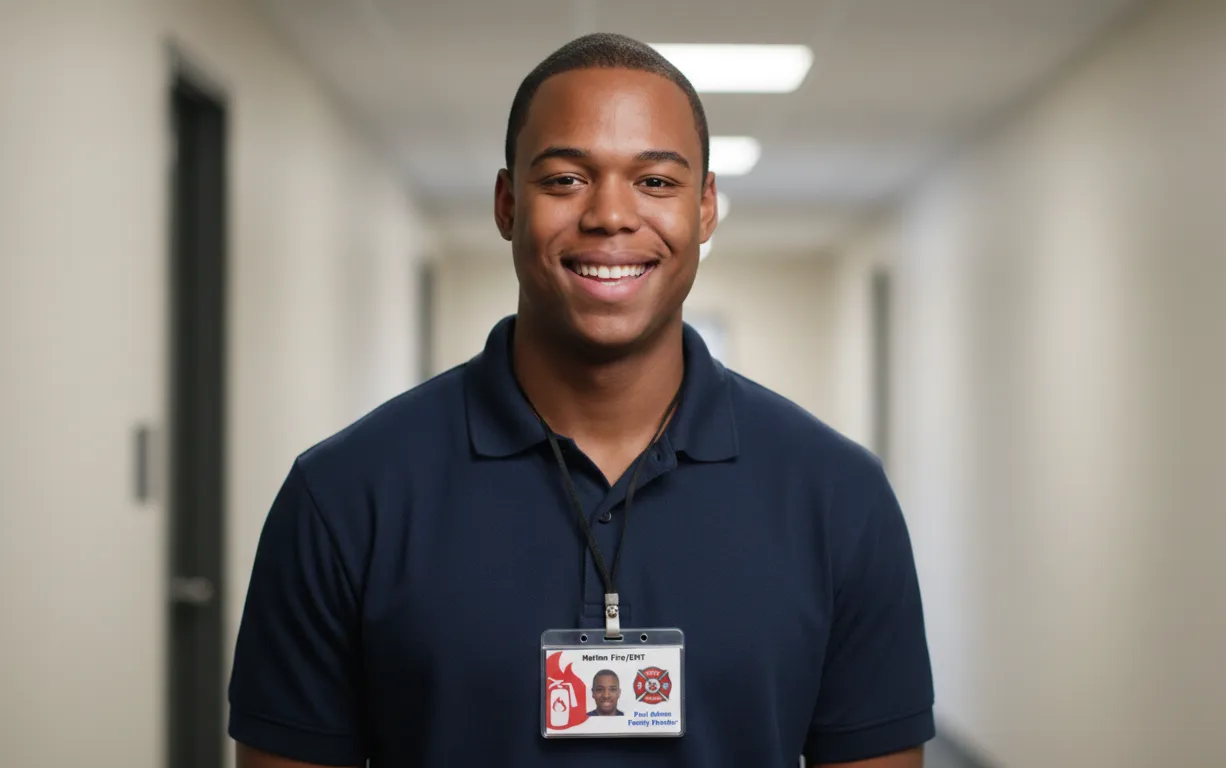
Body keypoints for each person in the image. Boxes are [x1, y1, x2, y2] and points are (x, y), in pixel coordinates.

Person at [228, 32, 934, 768]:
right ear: (507, 205)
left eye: (655, 181)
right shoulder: (344, 495)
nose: (610, 215)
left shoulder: (838, 498)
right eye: (566, 179)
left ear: (705, 209)